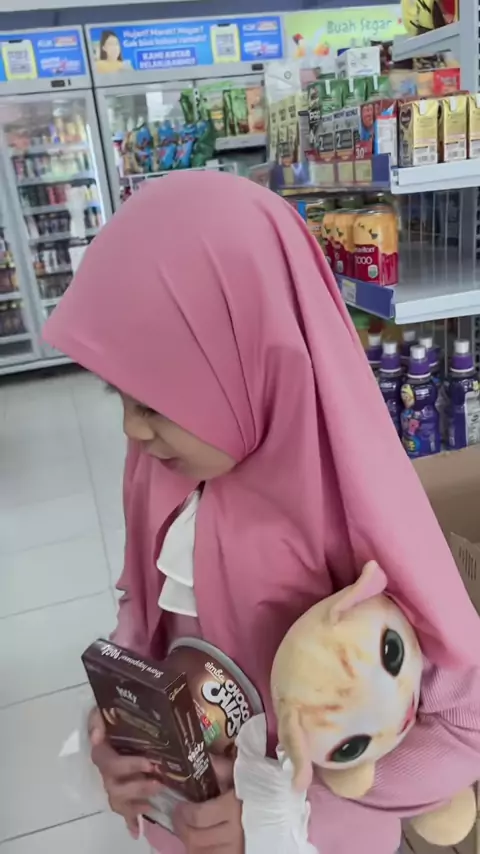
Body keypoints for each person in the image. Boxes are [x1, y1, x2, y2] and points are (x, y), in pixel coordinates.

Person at [44, 171, 480, 854]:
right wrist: (116, 733)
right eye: (117, 396)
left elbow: (463, 727)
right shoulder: (162, 473)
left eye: (154, 402)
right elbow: (144, 622)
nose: (131, 429)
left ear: (250, 356)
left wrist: (289, 806)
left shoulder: (351, 501)